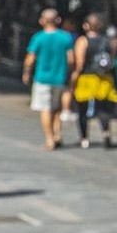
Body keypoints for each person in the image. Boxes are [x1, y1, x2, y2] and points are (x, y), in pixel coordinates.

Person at [22, 8, 75, 150]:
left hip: (42, 78)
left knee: (45, 108)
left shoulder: (38, 37)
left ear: (42, 21)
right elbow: (71, 59)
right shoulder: (66, 37)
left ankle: (49, 139)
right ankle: (58, 134)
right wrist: (70, 74)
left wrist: (26, 72)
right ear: (58, 20)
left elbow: (30, 59)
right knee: (56, 108)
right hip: (60, 77)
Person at [71, 12, 117, 149]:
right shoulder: (107, 41)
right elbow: (111, 59)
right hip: (104, 78)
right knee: (103, 109)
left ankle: (84, 138)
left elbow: (80, 62)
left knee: (83, 109)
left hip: (87, 78)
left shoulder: (83, 41)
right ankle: (106, 133)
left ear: (86, 26)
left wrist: (74, 77)